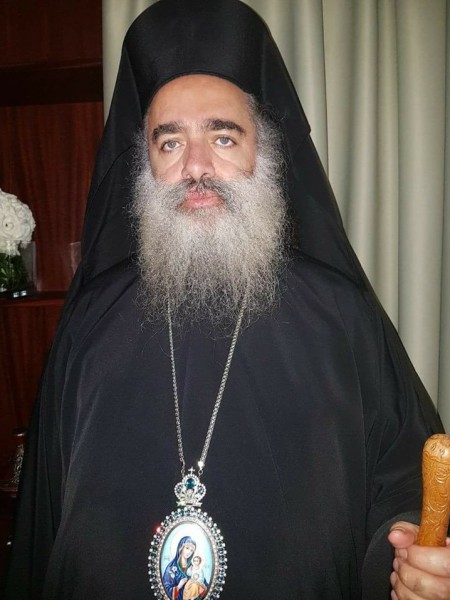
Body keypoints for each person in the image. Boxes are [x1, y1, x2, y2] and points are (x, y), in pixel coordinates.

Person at [5, 1, 450, 598]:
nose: (196, 167)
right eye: (169, 143)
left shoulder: (340, 315)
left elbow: (400, 487)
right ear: (144, 166)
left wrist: (408, 559)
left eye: (222, 137)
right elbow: (45, 520)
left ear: (263, 154)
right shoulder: (91, 322)